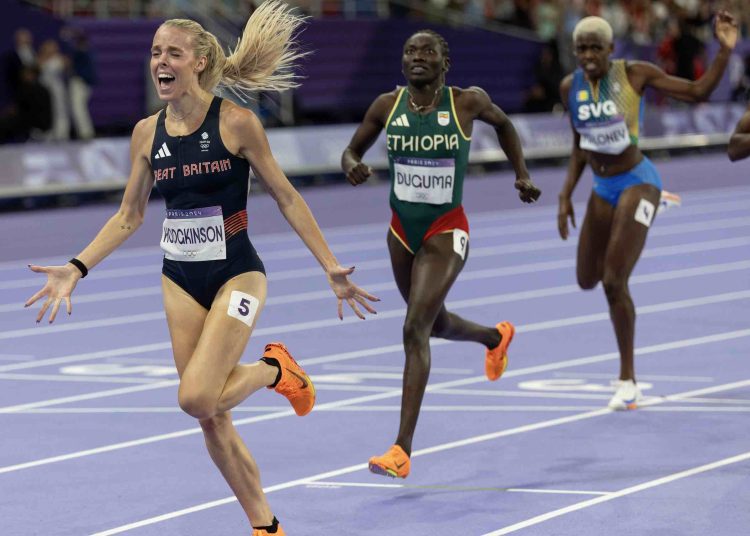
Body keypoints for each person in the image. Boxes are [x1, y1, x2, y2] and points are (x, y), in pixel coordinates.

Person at [24, 3, 378, 535]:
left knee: (195, 397)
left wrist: (330, 266)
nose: (159, 62)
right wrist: (77, 267)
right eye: (154, 53)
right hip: (180, 278)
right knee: (211, 417)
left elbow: (285, 196)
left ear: (199, 62)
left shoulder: (237, 122)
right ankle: (265, 525)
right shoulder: (147, 133)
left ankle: (275, 370)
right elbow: (130, 215)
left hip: (236, 272)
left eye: (172, 53)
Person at [341, 29, 541, 479]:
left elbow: (505, 124)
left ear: (444, 61)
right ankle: (495, 337)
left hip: (446, 229)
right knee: (435, 323)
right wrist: (352, 165)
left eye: (427, 51)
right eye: (410, 50)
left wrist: (521, 174)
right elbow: (351, 149)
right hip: (400, 231)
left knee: (414, 327)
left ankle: (401, 450)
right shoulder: (386, 106)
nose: (417, 57)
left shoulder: (466, 102)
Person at [557, 13, 737, 411]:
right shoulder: (570, 87)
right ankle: (643, 209)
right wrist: (565, 194)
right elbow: (579, 145)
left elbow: (697, 91)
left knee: (613, 281)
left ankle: (628, 381)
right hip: (602, 187)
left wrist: (724, 51)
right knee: (587, 279)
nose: (588, 55)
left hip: (637, 179)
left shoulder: (634, 75)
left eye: (595, 48)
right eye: (581, 48)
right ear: (575, 51)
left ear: (610, 49)